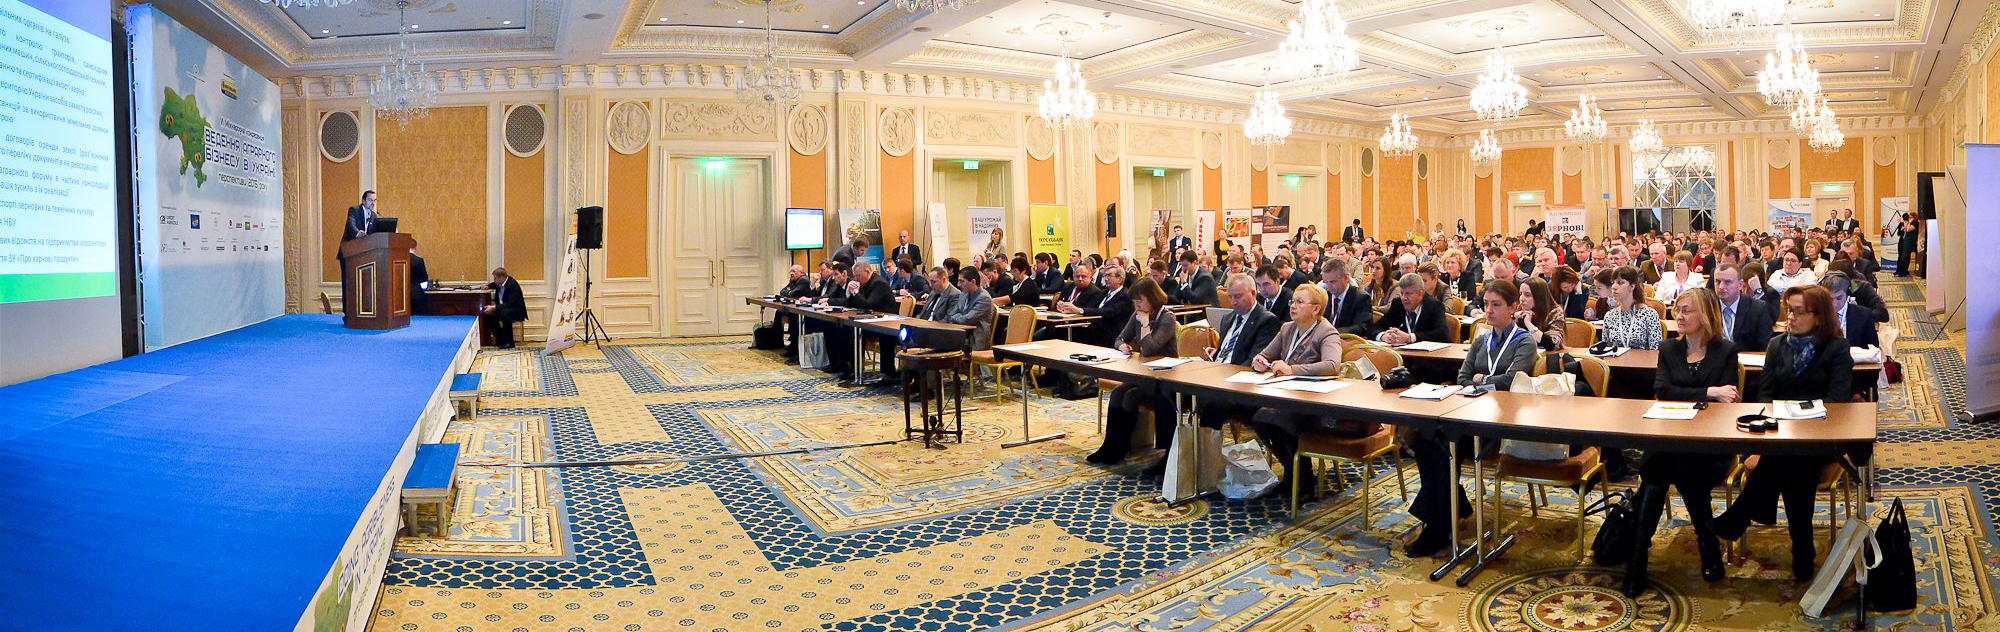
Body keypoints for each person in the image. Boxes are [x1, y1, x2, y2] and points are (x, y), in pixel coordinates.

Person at [1710, 284, 1855, 581]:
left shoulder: (1837, 348)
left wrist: (1802, 413)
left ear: (1819, 316)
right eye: (1789, 310)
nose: (1790, 317)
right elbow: (1765, 395)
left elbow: (1838, 400)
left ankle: (1742, 517)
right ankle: (1802, 550)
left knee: (1788, 461)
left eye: (1799, 312)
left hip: (1822, 435)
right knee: (1792, 464)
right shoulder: (1777, 345)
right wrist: (1782, 417)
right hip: (1781, 435)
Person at [1405, 279, 1537, 557]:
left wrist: (1481, 379)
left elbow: (1512, 381)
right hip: (1470, 412)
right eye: (1486, 304)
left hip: (1503, 420)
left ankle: (1439, 526)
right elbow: (1462, 377)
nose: (1488, 310)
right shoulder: (1480, 340)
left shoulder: (1524, 341)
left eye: (1496, 305)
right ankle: (1450, 509)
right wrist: (1486, 380)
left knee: (1441, 445)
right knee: (1425, 439)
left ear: (1513, 307)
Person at [1624, 288, 1739, 595]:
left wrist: (1697, 394)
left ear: (1705, 315)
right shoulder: (1669, 348)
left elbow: (1729, 398)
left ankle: (1639, 557)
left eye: (1687, 310)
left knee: (1673, 469)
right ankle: (1650, 554)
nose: (1680, 316)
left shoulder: (1726, 351)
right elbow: (1663, 390)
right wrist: (1708, 392)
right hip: (1671, 437)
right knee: (1663, 469)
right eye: (1678, 309)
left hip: (1710, 442)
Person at [1243, 284, 1346, 493]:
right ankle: (1292, 469)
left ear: (1316, 309)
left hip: (1313, 402)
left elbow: (1332, 365)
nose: (1292, 306)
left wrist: (1292, 369)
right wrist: (1258, 360)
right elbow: (1265, 354)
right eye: (1292, 301)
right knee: (1260, 419)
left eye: (1300, 302)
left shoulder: (1327, 332)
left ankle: (1303, 478)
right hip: (1286, 395)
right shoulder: (1287, 328)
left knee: (1280, 421)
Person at [1089, 278, 1180, 465]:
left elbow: (1149, 348)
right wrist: (1122, 345)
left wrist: (1145, 324)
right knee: (1117, 393)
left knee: (1130, 396)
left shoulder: (1167, 318)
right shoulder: (1137, 315)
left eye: (1140, 300)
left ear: (1152, 298)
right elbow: (1119, 338)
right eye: (1134, 301)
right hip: (1144, 374)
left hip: (1164, 378)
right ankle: (1110, 447)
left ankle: (1123, 447)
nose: (1136, 305)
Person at [1056, 264, 1129, 347]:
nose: (1106, 279)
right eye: (1105, 275)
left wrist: (1079, 310)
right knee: (1058, 331)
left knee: (1070, 334)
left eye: (1109, 275)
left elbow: (1108, 311)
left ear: (1120, 279)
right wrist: (1066, 307)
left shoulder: (1125, 295)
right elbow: (1090, 308)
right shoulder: (1103, 293)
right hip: (1095, 330)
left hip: (1111, 334)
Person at [1370, 274, 1452, 345]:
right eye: (1401, 293)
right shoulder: (1397, 304)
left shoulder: (1434, 306)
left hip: (1426, 356)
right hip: (1401, 353)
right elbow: (1374, 328)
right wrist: (1383, 336)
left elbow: (1443, 334)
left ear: (1420, 293)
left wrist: (1411, 338)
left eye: (1408, 293)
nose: (1403, 298)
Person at [1711, 264, 1776, 352]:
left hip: (1747, 358)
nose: (1721, 287)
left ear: (1740, 285)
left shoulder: (1757, 308)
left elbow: (1765, 345)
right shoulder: (1707, 307)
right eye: (1718, 281)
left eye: (1728, 282)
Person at [1598, 266, 1662, 350]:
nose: (1614, 287)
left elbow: (1656, 349)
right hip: (1615, 358)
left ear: (1632, 286)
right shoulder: (1610, 316)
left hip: (1642, 358)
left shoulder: (1649, 314)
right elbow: (1606, 348)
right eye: (1613, 282)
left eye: (1620, 283)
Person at [338, 190, 381, 305]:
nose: (373, 203)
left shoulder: (374, 216)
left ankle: (361, 311)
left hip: (364, 255)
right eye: (370, 200)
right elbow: (350, 225)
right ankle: (347, 312)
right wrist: (358, 233)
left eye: (374, 200)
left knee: (362, 285)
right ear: (363, 201)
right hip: (349, 253)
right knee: (349, 284)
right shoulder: (354, 210)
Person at [1822, 272, 1880, 349]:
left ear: (1848, 294)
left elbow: (1874, 347)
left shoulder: (1864, 315)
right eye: (1830, 299)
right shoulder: (1817, 316)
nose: (1834, 304)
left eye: (1839, 298)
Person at [1320, 258, 1373, 335]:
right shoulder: (1324, 296)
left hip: (1347, 339)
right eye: (1325, 282)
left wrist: (1331, 333)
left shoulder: (1361, 298)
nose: (1328, 286)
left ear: (1346, 278)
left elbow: (1361, 327)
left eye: (1332, 282)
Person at [482, 267, 527, 349]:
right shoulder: (499, 283)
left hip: (515, 310)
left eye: (495, 278)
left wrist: (495, 307)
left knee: (505, 314)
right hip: (502, 308)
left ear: (501, 277)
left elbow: (511, 303)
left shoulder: (513, 285)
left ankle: (509, 342)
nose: (494, 280)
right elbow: (493, 284)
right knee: (488, 315)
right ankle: (500, 339)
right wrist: (487, 286)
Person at [408, 240, 431, 315]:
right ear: (415, 247)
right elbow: (424, 278)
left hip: (402, 295)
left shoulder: (398, 260)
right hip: (416, 293)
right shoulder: (418, 260)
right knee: (419, 317)